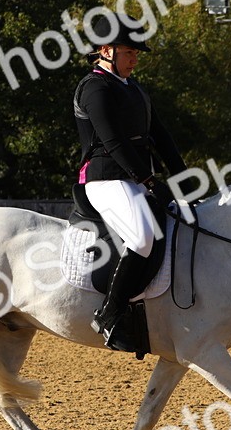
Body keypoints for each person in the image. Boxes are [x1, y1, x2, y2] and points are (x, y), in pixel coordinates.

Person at [73, 17, 186, 351]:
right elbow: (112, 141)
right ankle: (109, 313)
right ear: (106, 50)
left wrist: (182, 177)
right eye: (129, 52)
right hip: (105, 179)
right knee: (142, 236)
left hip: (135, 180)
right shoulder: (94, 87)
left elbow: (161, 136)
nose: (135, 58)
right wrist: (150, 179)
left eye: (137, 52)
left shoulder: (134, 89)